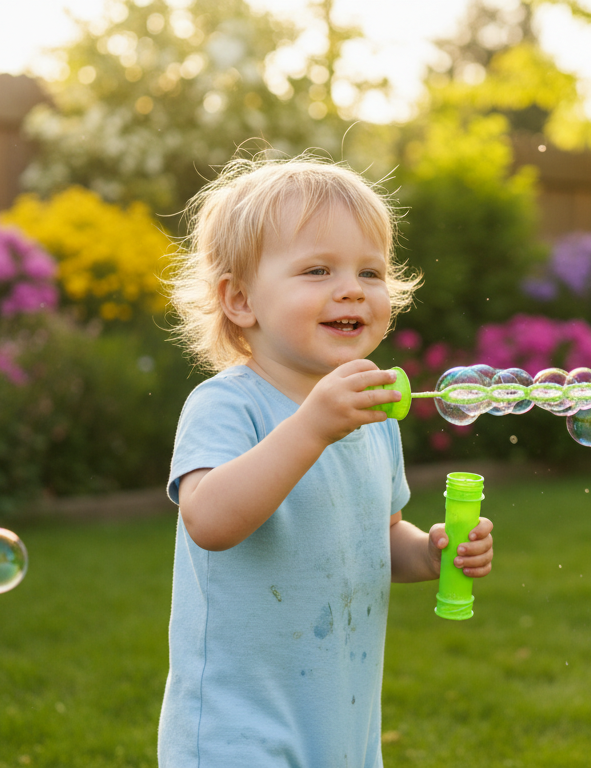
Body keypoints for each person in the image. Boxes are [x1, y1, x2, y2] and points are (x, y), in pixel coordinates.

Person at [160, 154, 494, 766]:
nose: (352, 288)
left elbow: (379, 537)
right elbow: (208, 521)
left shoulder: (371, 418)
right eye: (317, 270)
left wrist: (430, 552)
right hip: (239, 733)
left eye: (371, 271)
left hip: (339, 727)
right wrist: (312, 427)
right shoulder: (227, 405)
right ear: (240, 300)